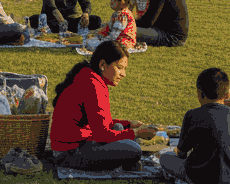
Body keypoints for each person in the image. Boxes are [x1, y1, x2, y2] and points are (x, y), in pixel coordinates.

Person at [49, 39, 156, 171]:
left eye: (124, 69)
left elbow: (100, 123)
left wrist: (128, 124)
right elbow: (102, 135)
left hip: (79, 143)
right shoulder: (93, 85)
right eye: (119, 67)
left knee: (119, 127)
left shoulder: (90, 77)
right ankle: (127, 160)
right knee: (133, 148)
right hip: (69, 152)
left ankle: (127, 161)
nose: (123, 74)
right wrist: (136, 132)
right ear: (103, 65)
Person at [159, 67, 230, 184]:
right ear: (228, 93)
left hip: (198, 177)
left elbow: (181, 153)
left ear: (199, 93)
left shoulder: (192, 115)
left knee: (165, 158)